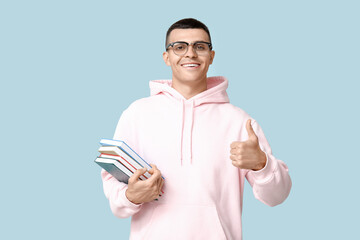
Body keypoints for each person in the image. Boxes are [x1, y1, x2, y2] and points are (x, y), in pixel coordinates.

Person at [101, 18, 292, 240]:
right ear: (167, 57)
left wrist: (262, 164)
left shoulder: (240, 122)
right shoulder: (136, 114)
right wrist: (130, 196)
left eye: (200, 46)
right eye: (179, 47)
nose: (190, 53)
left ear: (211, 56)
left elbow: (277, 196)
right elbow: (115, 195)